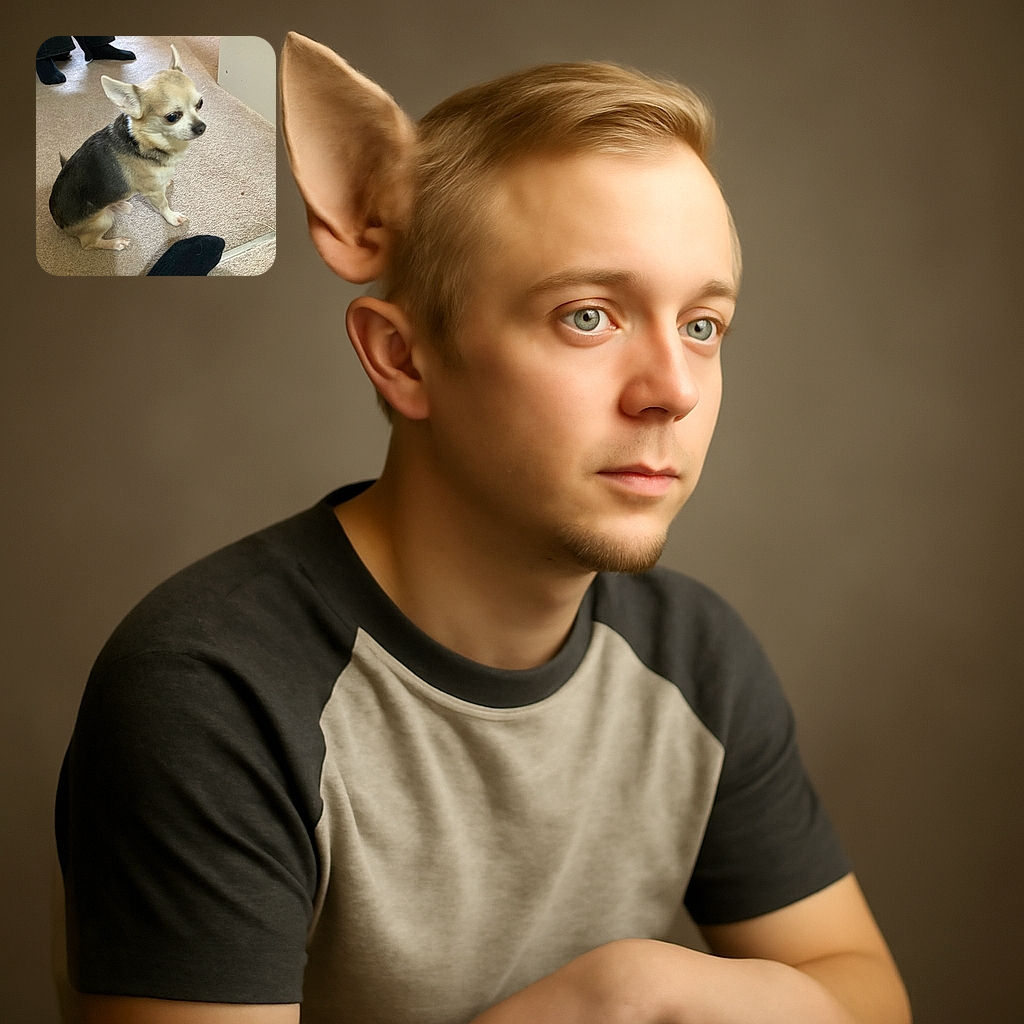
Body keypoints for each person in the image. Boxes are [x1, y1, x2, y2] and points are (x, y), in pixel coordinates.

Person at [55, 30, 912, 1024]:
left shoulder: (695, 659)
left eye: (701, 325)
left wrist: (657, 986)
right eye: (587, 315)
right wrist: (595, 1003)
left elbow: (864, 994)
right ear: (404, 360)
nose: (673, 390)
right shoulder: (213, 690)